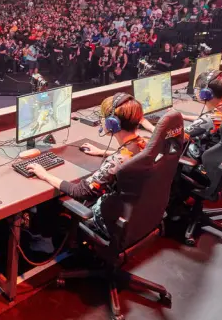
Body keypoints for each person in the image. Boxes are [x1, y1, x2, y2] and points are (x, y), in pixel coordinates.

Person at [26, 94, 147, 238]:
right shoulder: (144, 144)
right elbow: (127, 156)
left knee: (51, 202)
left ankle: (46, 240)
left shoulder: (116, 162)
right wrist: (102, 152)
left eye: (103, 117)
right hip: (136, 216)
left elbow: (80, 191)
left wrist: (44, 174)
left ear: (112, 123)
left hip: (106, 222)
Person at [181, 71, 222, 160]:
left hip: (202, 159)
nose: (197, 92)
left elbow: (179, 138)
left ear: (206, 93)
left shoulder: (209, 119)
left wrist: (151, 127)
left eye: (198, 89)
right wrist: (184, 116)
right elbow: (208, 122)